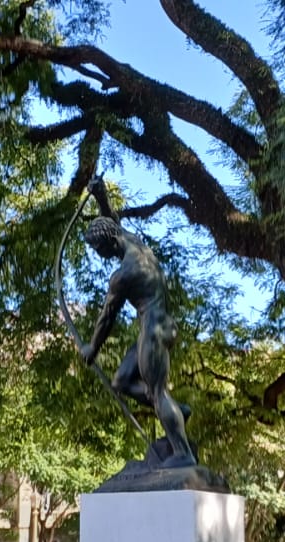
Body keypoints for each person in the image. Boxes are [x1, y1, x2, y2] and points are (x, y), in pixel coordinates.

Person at [79, 182, 196, 468]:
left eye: (97, 249)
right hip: (157, 325)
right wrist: (100, 196)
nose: (98, 254)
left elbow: (107, 316)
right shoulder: (134, 243)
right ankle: (178, 412)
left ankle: (183, 454)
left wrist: (91, 348)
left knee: (157, 393)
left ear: (109, 243)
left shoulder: (123, 275)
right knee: (121, 381)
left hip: (154, 328)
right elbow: (112, 221)